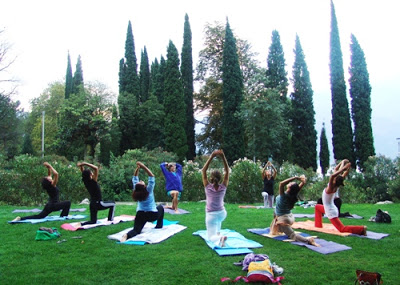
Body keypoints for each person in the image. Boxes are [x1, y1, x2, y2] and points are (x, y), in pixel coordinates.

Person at [314, 159, 367, 235]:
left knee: (342, 229)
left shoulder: (331, 188)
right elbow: (338, 172)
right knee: (317, 207)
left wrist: (343, 168)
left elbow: (333, 175)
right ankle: (318, 226)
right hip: (328, 207)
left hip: (330, 211)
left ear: (335, 180)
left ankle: (361, 229)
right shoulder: (336, 185)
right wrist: (343, 164)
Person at [270, 175, 320, 246]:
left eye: (291, 183)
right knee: (275, 218)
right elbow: (302, 183)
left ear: (290, 188)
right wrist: (302, 180)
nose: (290, 182)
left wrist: (295, 178)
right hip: (289, 216)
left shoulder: (283, 195)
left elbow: (281, 184)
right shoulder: (292, 194)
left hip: (284, 219)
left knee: (292, 235)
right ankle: (279, 229)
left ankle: (308, 241)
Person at [120, 161, 164, 242]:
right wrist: (143, 167)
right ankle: (159, 226)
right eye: (141, 182)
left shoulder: (136, 191)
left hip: (140, 214)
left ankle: (127, 235)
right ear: (143, 186)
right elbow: (152, 176)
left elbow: (134, 178)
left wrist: (137, 169)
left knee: (136, 230)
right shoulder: (148, 190)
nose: (140, 180)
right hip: (152, 215)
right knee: (161, 207)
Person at [201, 150, 230, 247]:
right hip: (222, 213)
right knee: (218, 219)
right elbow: (227, 171)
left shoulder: (207, 186)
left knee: (210, 237)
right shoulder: (223, 186)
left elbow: (203, 170)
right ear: (221, 178)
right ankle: (218, 233)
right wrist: (223, 156)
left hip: (211, 215)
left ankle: (219, 237)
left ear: (211, 178)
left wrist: (212, 156)